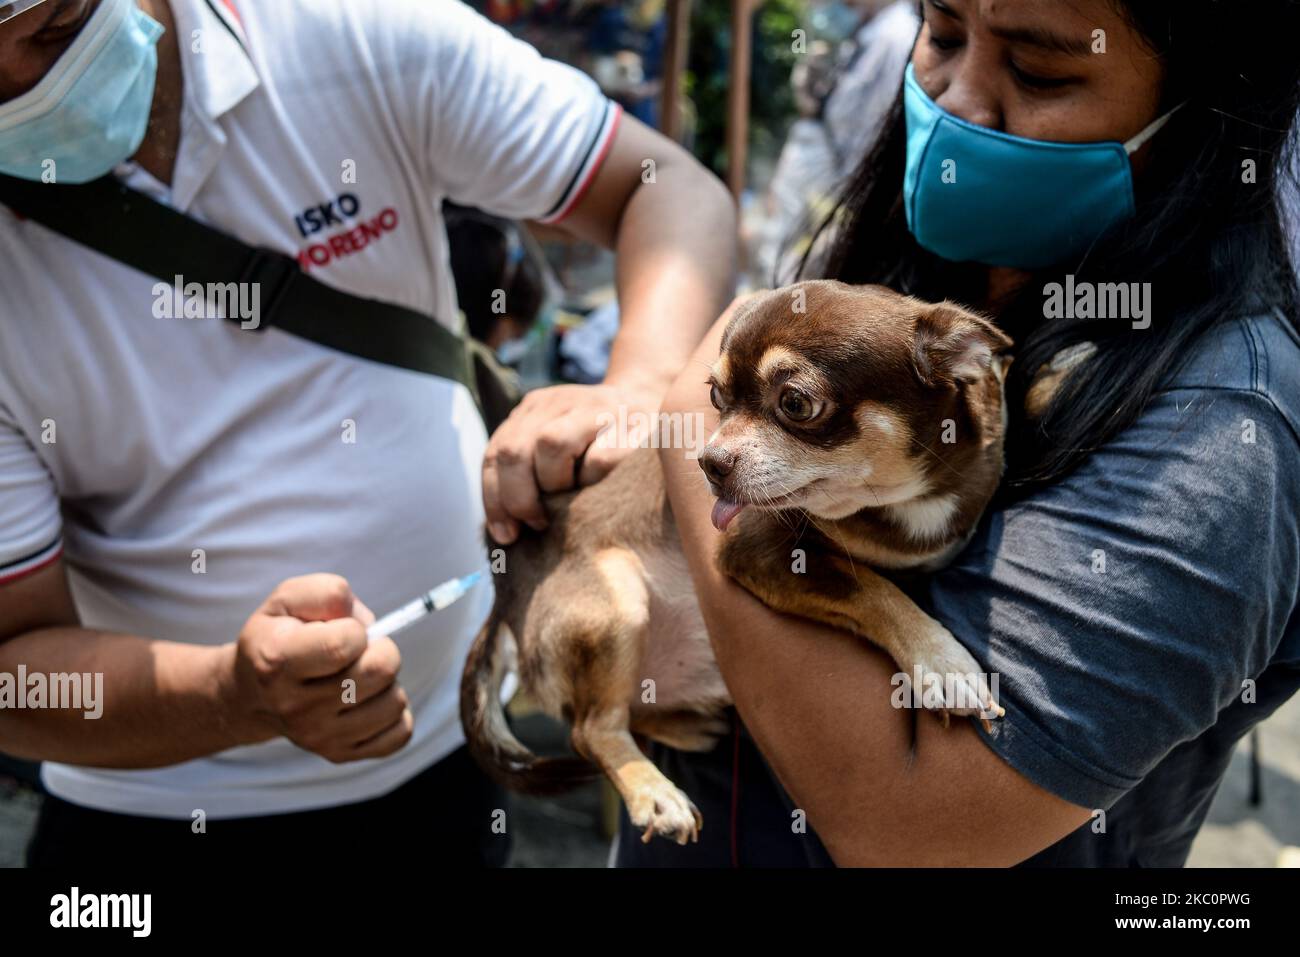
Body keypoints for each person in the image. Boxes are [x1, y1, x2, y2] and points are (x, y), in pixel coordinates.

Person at [0, 0, 735, 866]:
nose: (24, 80)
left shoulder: (348, 30)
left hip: (450, 760)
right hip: (150, 819)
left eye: (55, 28)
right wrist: (231, 694)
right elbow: (16, 664)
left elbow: (668, 189)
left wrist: (638, 388)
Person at [617, 0, 1300, 866]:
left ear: (1207, 107)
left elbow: (906, 827)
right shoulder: (907, 276)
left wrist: (686, 406)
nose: (957, 101)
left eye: (1040, 71)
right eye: (941, 33)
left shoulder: (1217, 429)